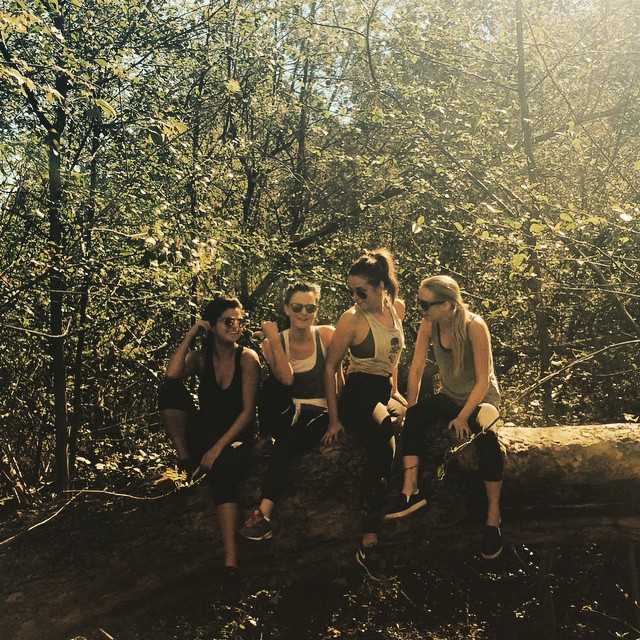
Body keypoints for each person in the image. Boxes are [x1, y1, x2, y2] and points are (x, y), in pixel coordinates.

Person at [384, 275, 504, 560]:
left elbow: (483, 381)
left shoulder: (475, 326)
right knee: (415, 417)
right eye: (419, 302)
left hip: (481, 399)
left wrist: (462, 417)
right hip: (450, 395)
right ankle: (410, 490)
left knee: (487, 439)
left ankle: (493, 517)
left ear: (449, 304)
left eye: (427, 304)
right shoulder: (429, 324)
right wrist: (411, 408)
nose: (421, 309)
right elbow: (416, 369)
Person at [158, 297, 261, 601]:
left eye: (240, 321)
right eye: (228, 321)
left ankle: (230, 568)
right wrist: (192, 333)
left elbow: (247, 413)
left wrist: (216, 450)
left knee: (222, 472)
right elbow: (172, 375)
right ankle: (186, 462)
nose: (236, 326)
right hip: (206, 434)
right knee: (169, 390)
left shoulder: (248, 358)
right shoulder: (201, 358)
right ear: (212, 325)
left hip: (236, 439)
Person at [323, 248, 406, 580]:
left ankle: (409, 499)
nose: (355, 299)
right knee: (384, 442)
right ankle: (369, 539)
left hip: (384, 391)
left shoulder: (397, 310)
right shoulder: (353, 319)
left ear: (381, 286)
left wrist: (397, 392)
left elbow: (393, 358)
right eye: (351, 292)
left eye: (362, 292)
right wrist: (334, 419)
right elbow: (330, 367)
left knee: (415, 423)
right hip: (358, 395)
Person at [238, 282, 342, 541]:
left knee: (286, 446)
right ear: (286, 309)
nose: (304, 313)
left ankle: (263, 516)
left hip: (320, 411)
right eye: (297, 307)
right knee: (270, 386)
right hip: (288, 412)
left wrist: (336, 420)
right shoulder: (272, 342)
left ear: (316, 310)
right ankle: (265, 438)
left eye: (310, 308)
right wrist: (274, 339)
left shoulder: (327, 335)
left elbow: (338, 380)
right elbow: (285, 379)